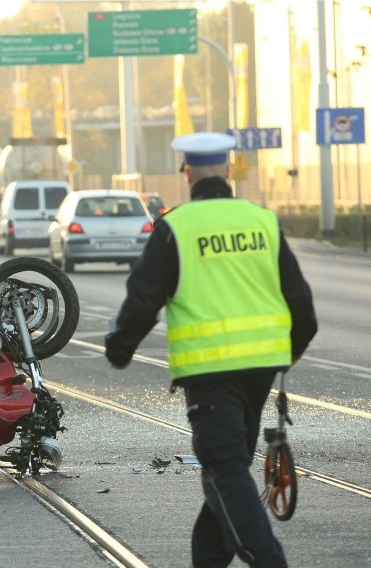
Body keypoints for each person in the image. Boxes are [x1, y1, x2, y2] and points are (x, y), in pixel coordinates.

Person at [105, 132, 317, 568]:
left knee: (224, 470)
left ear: (187, 173)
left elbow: (142, 301)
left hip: (209, 374)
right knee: (229, 469)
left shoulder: (176, 228)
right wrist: (289, 353)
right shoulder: (262, 221)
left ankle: (270, 561)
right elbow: (302, 306)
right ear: (227, 170)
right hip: (262, 370)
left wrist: (120, 349)